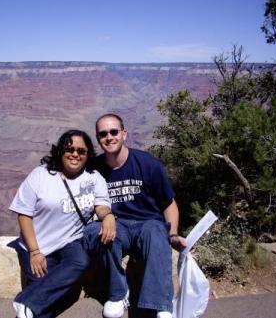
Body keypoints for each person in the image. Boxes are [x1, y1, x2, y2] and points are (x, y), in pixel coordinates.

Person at [84, 114, 187, 318]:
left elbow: (169, 203)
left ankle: (161, 306)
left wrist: (173, 233)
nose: (109, 137)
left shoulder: (147, 164)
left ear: (124, 134)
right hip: (117, 224)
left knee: (158, 233)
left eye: (114, 132)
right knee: (97, 231)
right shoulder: (94, 168)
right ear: (98, 139)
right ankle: (117, 294)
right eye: (103, 134)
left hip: (146, 224)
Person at [10, 129, 116, 318]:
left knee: (80, 262)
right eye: (70, 149)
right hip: (38, 244)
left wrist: (108, 217)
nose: (75, 154)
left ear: (88, 154)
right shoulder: (41, 175)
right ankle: (30, 304)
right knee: (45, 297)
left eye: (81, 151)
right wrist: (35, 252)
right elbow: (23, 214)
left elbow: (101, 206)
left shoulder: (93, 178)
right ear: (60, 151)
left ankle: (24, 301)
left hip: (70, 241)